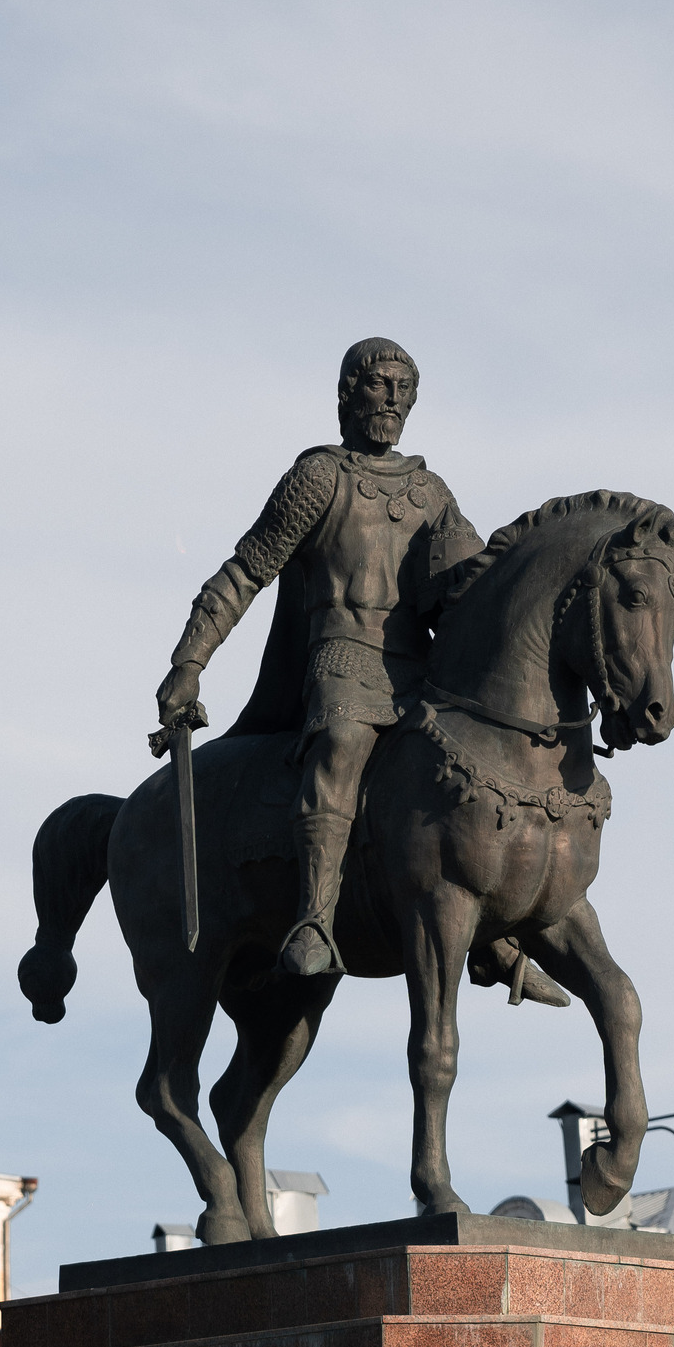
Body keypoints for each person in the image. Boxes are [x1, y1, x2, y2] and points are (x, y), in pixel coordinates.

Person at [154, 337, 565, 997]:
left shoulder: (429, 492)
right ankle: (314, 920)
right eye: (380, 385)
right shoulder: (320, 478)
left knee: (475, 778)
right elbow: (245, 572)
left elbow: (464, 587)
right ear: (349, 393)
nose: (393, 399)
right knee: (343, 747)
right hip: (343, 660)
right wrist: (188, 662)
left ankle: (497, 943)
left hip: (420, 676)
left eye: (404, 388)